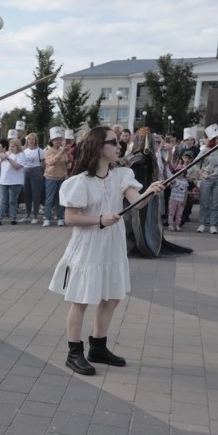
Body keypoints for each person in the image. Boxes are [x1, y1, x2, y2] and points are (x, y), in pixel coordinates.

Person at [47, 126, 164, 375]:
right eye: (113, 142)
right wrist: (98, 219)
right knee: (81, 299)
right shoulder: (78, 182)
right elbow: (70, 217)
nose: (119, 146)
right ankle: (74, 352)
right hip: (88, 246)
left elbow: (138, 203)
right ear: (99, 147)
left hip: (112, 244)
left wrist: (150, 191)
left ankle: (98, 347)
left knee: (111, 297)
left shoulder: (121, 175)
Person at [196, 124, 218, 234]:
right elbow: (195, 163)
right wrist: (202, 174)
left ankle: (213, 224)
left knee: (216, 203)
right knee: (204, 202)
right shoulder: (205, 150)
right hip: (207, 180)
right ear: (212, 139)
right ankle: (202, 223)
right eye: (217, 138)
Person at [43, 127, 70, 226]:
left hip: (61, 177)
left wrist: (67, 152)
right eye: (56, 139)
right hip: (51, 177)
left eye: (60, 139)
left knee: (60, 199)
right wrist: (62, 152)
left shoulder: (62, 150)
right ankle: (47, 217)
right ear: (52, 141)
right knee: (49, 198)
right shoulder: (49, 151)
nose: (58, 141)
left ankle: (60, 217)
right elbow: (51, 162)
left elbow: (68, 161)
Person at [0, 138, 24, 225]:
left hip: (15, 181)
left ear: (18, 147)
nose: (11, 148)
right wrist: (1, 159)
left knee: (13, 200)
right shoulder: (7, 153)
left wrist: (8, 159)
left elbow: (17, 167)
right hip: (4, 181)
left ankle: (13, 217)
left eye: (13, 146)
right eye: (10, 146)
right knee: (2, 200)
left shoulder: (21, 155)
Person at [19, 134, 45, 223]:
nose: (31, 141)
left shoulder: (39, 150)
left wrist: (42, 172)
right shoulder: (25, 151)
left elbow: (43, 163)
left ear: (35, 140)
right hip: (26, 171)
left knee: (36, 194)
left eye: (33, 139)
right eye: (29, 139)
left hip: (36, 170)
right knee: (27, 193)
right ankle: (27, 214)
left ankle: (35, 215)